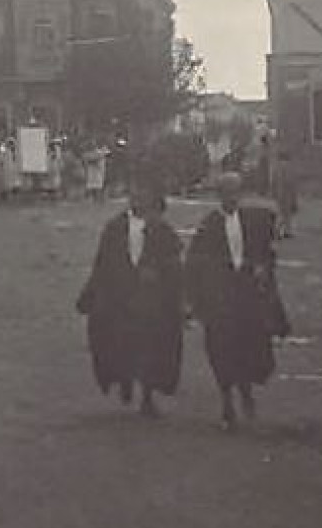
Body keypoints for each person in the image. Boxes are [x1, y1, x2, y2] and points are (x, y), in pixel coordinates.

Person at [186, 172, 291, 429]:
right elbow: (195, 263)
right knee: (220, 349)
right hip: (220, 297)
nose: (230, 198)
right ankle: (227, 403)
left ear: (241, 194)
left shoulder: (254, 221)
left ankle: (245, 393)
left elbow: (268, 252)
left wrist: (262, 267)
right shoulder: (209, 225)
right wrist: (196, 298)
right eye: (225, 193)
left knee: (247, 346)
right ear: (218, 196)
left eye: (234, 193)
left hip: (246, 295)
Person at [75, 180, 185, 417]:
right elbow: (102, 263)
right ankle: (124, 380)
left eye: (143, 196)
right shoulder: (115, 228)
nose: (137, 201)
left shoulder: (161, 229)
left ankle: (147, 395)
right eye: (133, 196)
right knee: (120, 343)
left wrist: (159, 272)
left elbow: (175, 262)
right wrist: (92, 293)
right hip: (120, 298)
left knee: (150, 346)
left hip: (151, 300)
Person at [270, 150, 299, 239]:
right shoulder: (287, 169)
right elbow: (290, 183)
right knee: (285, 214)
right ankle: (282, 231)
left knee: (281, 214)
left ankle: (282, 231)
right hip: (286, 194)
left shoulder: (275, 169)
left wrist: (274, 193)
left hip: (279, 194)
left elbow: (273, 183)